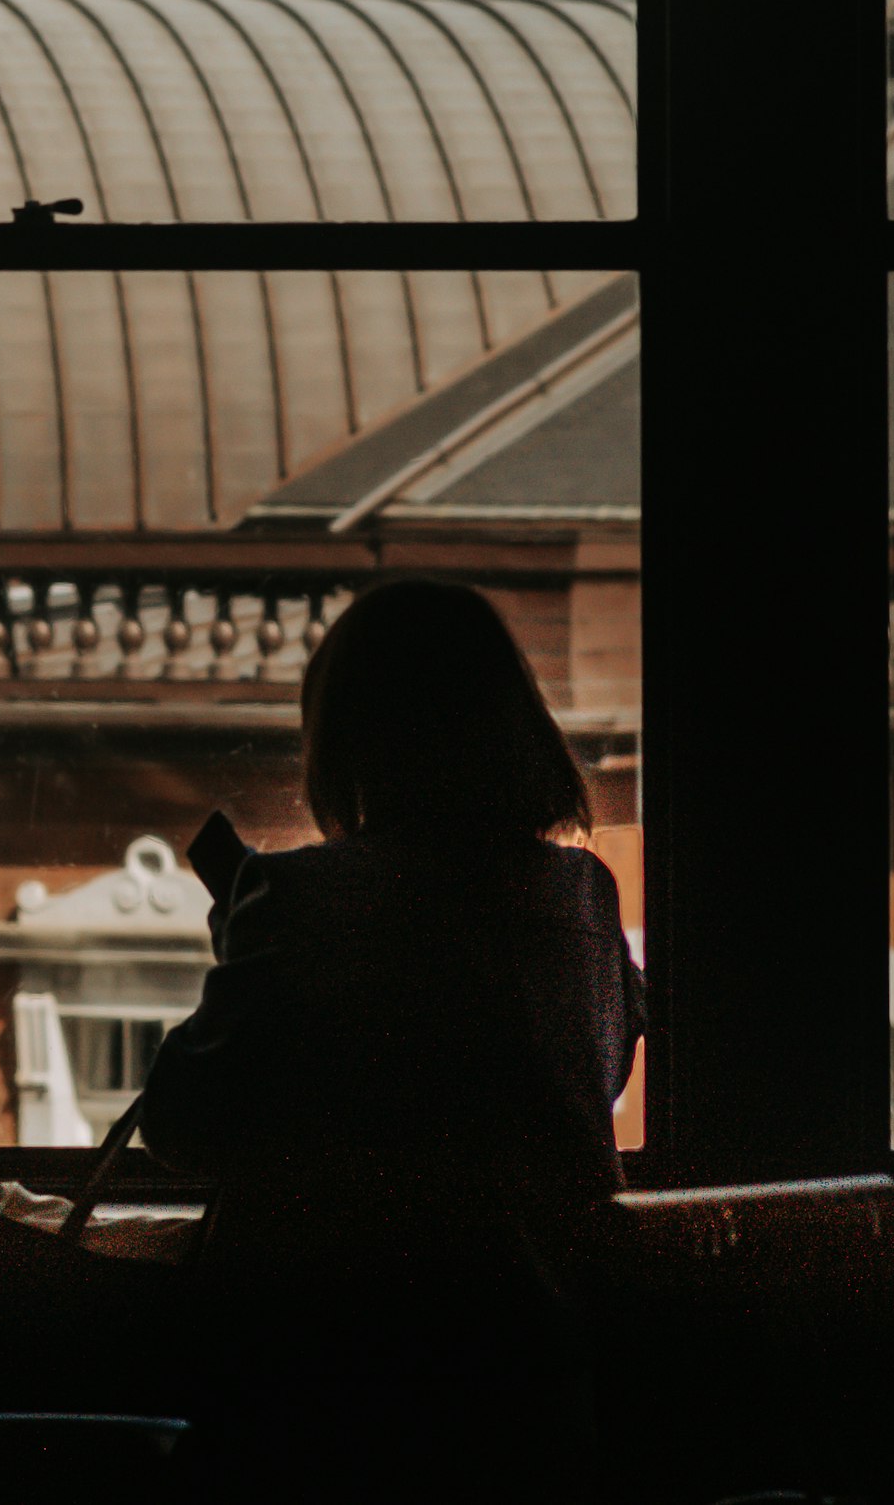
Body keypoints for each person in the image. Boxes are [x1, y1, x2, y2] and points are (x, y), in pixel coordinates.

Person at [131, 577, 644, 1491]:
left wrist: (243, 952)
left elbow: (181, 1123)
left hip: (323, 1398)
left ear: (349, 739)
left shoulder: (297, 898)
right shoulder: (585, 898)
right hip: (534, 1396)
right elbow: (581, 1087)